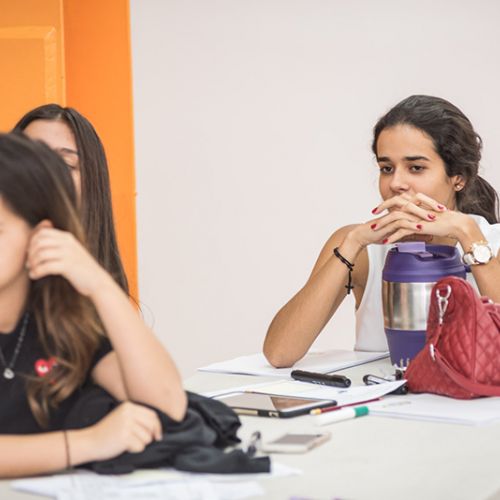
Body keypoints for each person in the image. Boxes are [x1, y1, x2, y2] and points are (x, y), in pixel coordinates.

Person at [263, 95, 500, 368]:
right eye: (387, 168)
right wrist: (352, 243)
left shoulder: (490, 242)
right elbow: (280, 353)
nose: (396, 183)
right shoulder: (363, 249)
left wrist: (468, 234)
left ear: (458, 177)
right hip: (380, 395)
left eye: (416, 168)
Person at [0, 133, 187, 477]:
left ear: (40, 236)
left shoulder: (61, 321)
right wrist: (87, 443)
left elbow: (167, 406)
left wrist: (100, 285)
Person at [13, 104, 128, 293]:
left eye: (64, 164)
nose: (45, 175)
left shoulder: (104, 295)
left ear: (91, 184)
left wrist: (97, 283)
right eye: (31, 160)